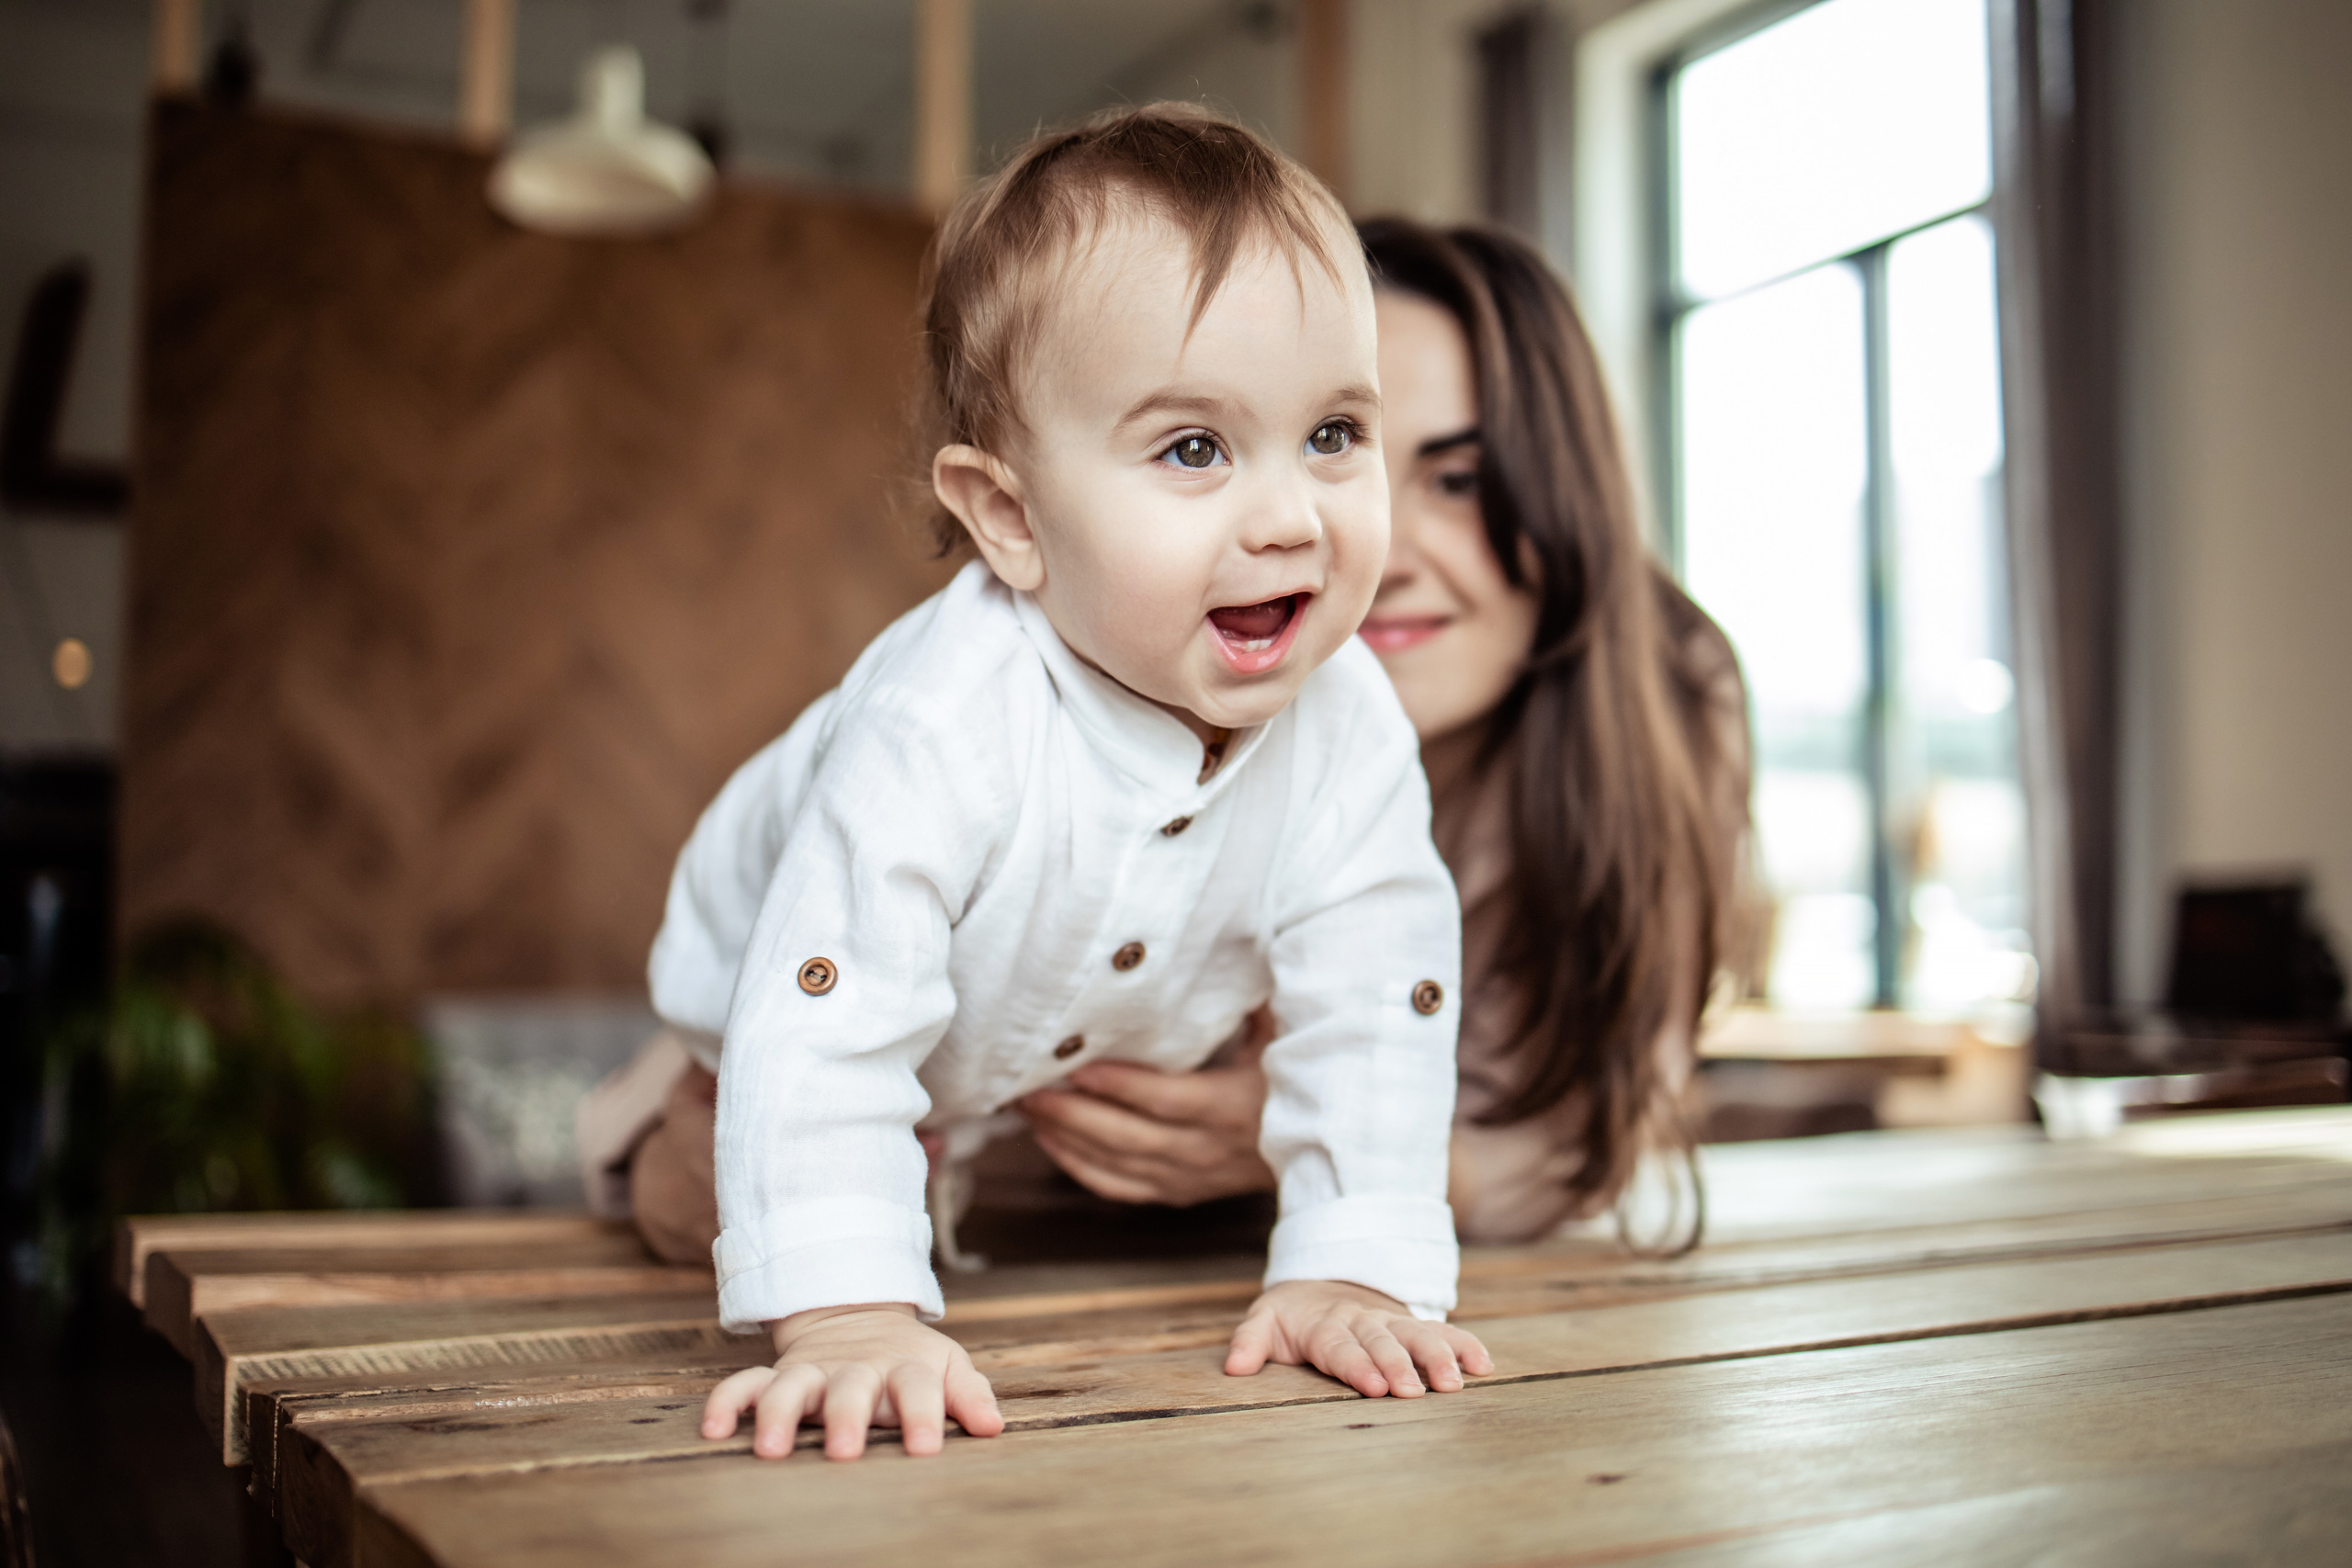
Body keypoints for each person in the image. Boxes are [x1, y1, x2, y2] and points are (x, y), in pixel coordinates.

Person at [662, 105, 1492, 1465]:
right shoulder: (941, 719)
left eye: (1335, 432)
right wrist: (849, 1313)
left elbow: (1376, 997)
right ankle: (638, 1106)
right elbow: (828, 1013)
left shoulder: (1352, 726)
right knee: (710, 1146)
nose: (1291, 515)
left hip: (1030, 1041)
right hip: (778, 969)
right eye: (1193, 449)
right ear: (1011, 520)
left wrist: (1352, 1259)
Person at [1012, 219, 1751, 1247]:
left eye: (1457, 480)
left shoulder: (1671, 696)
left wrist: (1324, 1141)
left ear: (1563, 498)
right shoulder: (1072, 695)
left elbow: (1585, 1144)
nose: (1373, 543)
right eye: (1329, 449)